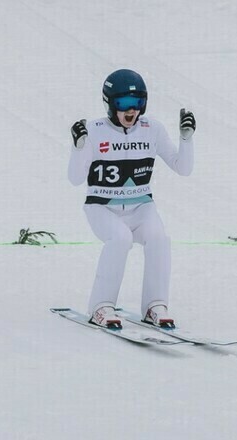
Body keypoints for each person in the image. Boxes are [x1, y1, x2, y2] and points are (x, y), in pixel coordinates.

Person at [67, 68, 196, 329]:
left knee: (160, 239)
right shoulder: (94, 130)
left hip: (141, 207)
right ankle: (101, 306)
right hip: (102, 207)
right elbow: (75, 178)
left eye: (137, 103)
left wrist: (187, 139)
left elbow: (183, 168)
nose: (131, 111)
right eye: (123, 103)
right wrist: (78, 147)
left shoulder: (152, 129)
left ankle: (155, 305)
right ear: (110, 103)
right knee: (120, 238)